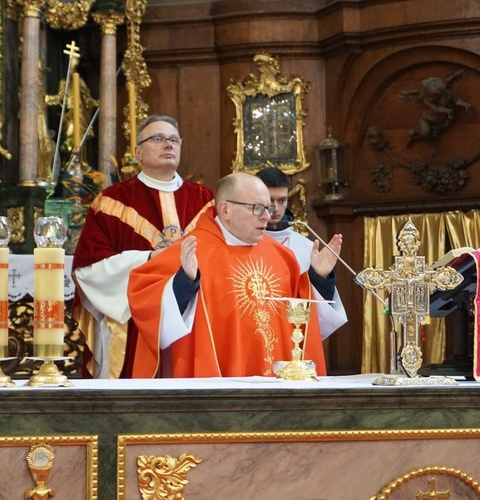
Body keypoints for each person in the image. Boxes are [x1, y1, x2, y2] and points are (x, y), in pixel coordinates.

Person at [127, 172, 326, 378]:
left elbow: (300, 317)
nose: (267, 216)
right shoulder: (191, 250)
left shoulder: (282, 256)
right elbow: (145, 300)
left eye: (267, 208)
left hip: (277, 386)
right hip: (214, 388)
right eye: (257, 208)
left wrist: (320, 278)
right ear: (225, 209)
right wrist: (184, 282)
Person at [72, 115, 214, 378]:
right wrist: (150, 258)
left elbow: (220, 257)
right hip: (132, 324)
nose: (168, 145)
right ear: (138, 152)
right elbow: (88, 269)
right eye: (158, 139)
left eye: (174, 140)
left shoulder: (204, 201)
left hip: (194, 320)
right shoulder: (112, 202)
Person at [254, 167, 347, 338]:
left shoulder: (304, 246)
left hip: (292, 337)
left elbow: (320, 314)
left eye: (282, 200)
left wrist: (320, 277)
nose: (275, 208)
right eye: (269, 200)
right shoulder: (242, 241)